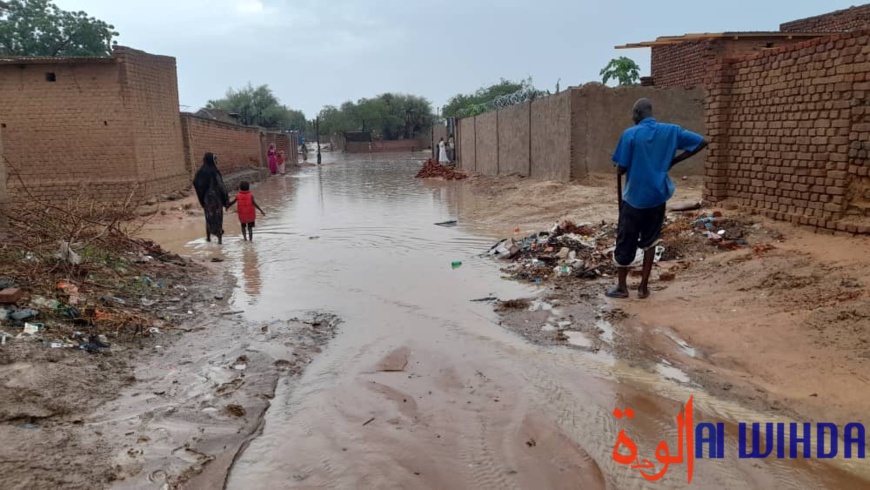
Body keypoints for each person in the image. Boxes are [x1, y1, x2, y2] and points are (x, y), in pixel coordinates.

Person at [607, 98, 708, 299]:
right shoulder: (671, 131)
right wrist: (673, 161)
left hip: (634, 198)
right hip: (657, 196)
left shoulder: (630, 134)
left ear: (637, 113)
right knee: (650, 241)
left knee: (625, 240)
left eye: (632, 113)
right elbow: (701, 142)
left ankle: (622, 287)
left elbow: (622, 168)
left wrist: (620, 167)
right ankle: (644, 288)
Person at [192, 152, 229, 244]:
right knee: (218, 218)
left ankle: (208, 238)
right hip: (216, 198)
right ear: (212, 160)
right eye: (215, 160)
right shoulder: (214, 171)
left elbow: (196, 183)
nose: (217, 162)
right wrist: (226, 198)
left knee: (208, 217)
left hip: (207, 199)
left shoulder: (201, 172)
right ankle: (219, 241)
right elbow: (220, 185)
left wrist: (203, 195)